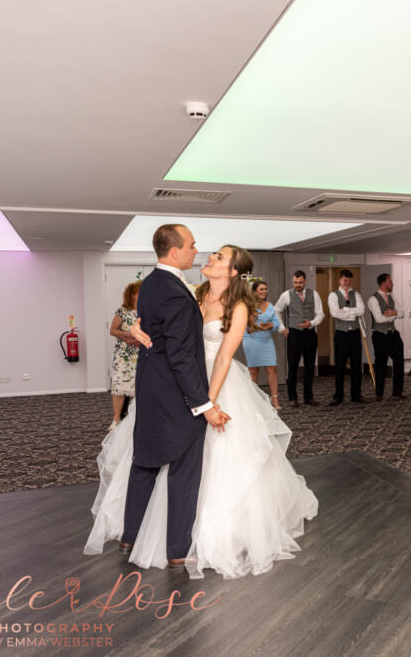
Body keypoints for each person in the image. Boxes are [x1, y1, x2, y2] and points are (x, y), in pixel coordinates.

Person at [86, 242, 318, 579]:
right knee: (164, 453)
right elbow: (161, 327)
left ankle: (204, 533)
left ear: (234, 271)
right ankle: (151, 530)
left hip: (215, 383)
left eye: (219, 257)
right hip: (177, 382)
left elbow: (224, 356)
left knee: (215, 458)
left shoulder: (238, 306)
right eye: (211, 254)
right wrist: (137, 329)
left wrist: (206, 402)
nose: (209, 257)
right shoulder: (192, 292)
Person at [112, 224, 229, 569]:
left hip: (150, 388)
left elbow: (155, 331)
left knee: (144, 462)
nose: (197, 250)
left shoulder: (151, 283)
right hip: (175, 395)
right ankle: (177, 550)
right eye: (192, 245)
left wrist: (137, 329)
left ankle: (129, 535)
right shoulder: (176, 292)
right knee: (184, 470)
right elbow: (181, 357)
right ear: (174, 252)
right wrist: (204, 405)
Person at [275, 270, 324, 408]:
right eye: (295, 282)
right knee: (293, 367)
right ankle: (292, 397)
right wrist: (282, 327)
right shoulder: (286, 295)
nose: (298, 285)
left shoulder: (314, 294)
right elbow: (276, 310)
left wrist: (312, 323)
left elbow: (320, 314)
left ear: (305, 281)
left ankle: (308, 397)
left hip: (310, 334)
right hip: (294, 335)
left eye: (300, 282)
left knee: (309, 367)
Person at [327, 269, 369, 405]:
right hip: (341, 335)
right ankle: (338, 396)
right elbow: (334, 313)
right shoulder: (333, 295)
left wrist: (344, 309)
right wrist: (352, 313)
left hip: (355, 334)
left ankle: (356, 395)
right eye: (345, 280)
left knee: (356, 366)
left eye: (350, 281)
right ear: (340, 280)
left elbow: (361, 310)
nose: (348, 283)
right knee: (340, 366)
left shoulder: (356, 293)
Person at [242, 279, 284, 410]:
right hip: (251, 340)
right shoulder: (247, 305)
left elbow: (276, 323)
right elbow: (244, 323)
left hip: (266, 341)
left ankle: (275, 399)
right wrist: (255, 325)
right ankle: (254, 399)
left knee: (272, 369)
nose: (264, 292)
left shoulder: (270, 305)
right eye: (261, 289)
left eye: (266, 289)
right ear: (254, 291)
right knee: (253, 371)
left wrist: (269, 325)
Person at [108, 280, 141, 430]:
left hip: (140, 353)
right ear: (131, 295)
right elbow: (113, 331)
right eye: (138, 292)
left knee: (138, 387)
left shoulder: (146, 310)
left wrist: (138, 339)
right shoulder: (122, 311)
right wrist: (128, 335)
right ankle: (116, 419)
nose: (141, 295)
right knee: (119, 388)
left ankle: (135, 417)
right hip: (123, 356)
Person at [368, 272, 405, 400]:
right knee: (381, 365)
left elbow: (403, 313)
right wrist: (395, 314)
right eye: (390, 282)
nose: (392, 284)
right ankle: (379, 393)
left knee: (399, 362)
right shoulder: (373, 299)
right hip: (380, 335)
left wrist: (393, 313)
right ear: (383, 283)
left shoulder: (393, 297)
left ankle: (397, 392)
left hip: (393, 334)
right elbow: (379, 319)